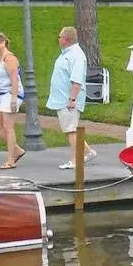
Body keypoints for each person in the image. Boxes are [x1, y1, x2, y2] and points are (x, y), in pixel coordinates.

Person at [47, 26, 96, 170]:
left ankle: (75, 160)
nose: (58, 39)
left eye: (59, 37)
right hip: (62, 98)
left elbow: (77, 80)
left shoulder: (76, 55)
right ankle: (88, 152)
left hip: (68, 100)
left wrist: (72, 99)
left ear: (65, 39)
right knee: (70, 128)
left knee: (71, 130)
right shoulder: (66, 54)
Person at [0, 32, 25, 170]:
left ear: (3, 43)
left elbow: (15, 79)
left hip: (9, 94)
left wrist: (14, 100)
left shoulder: (9, 58)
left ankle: (11, 160)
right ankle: (16, 150)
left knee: (9, 127)